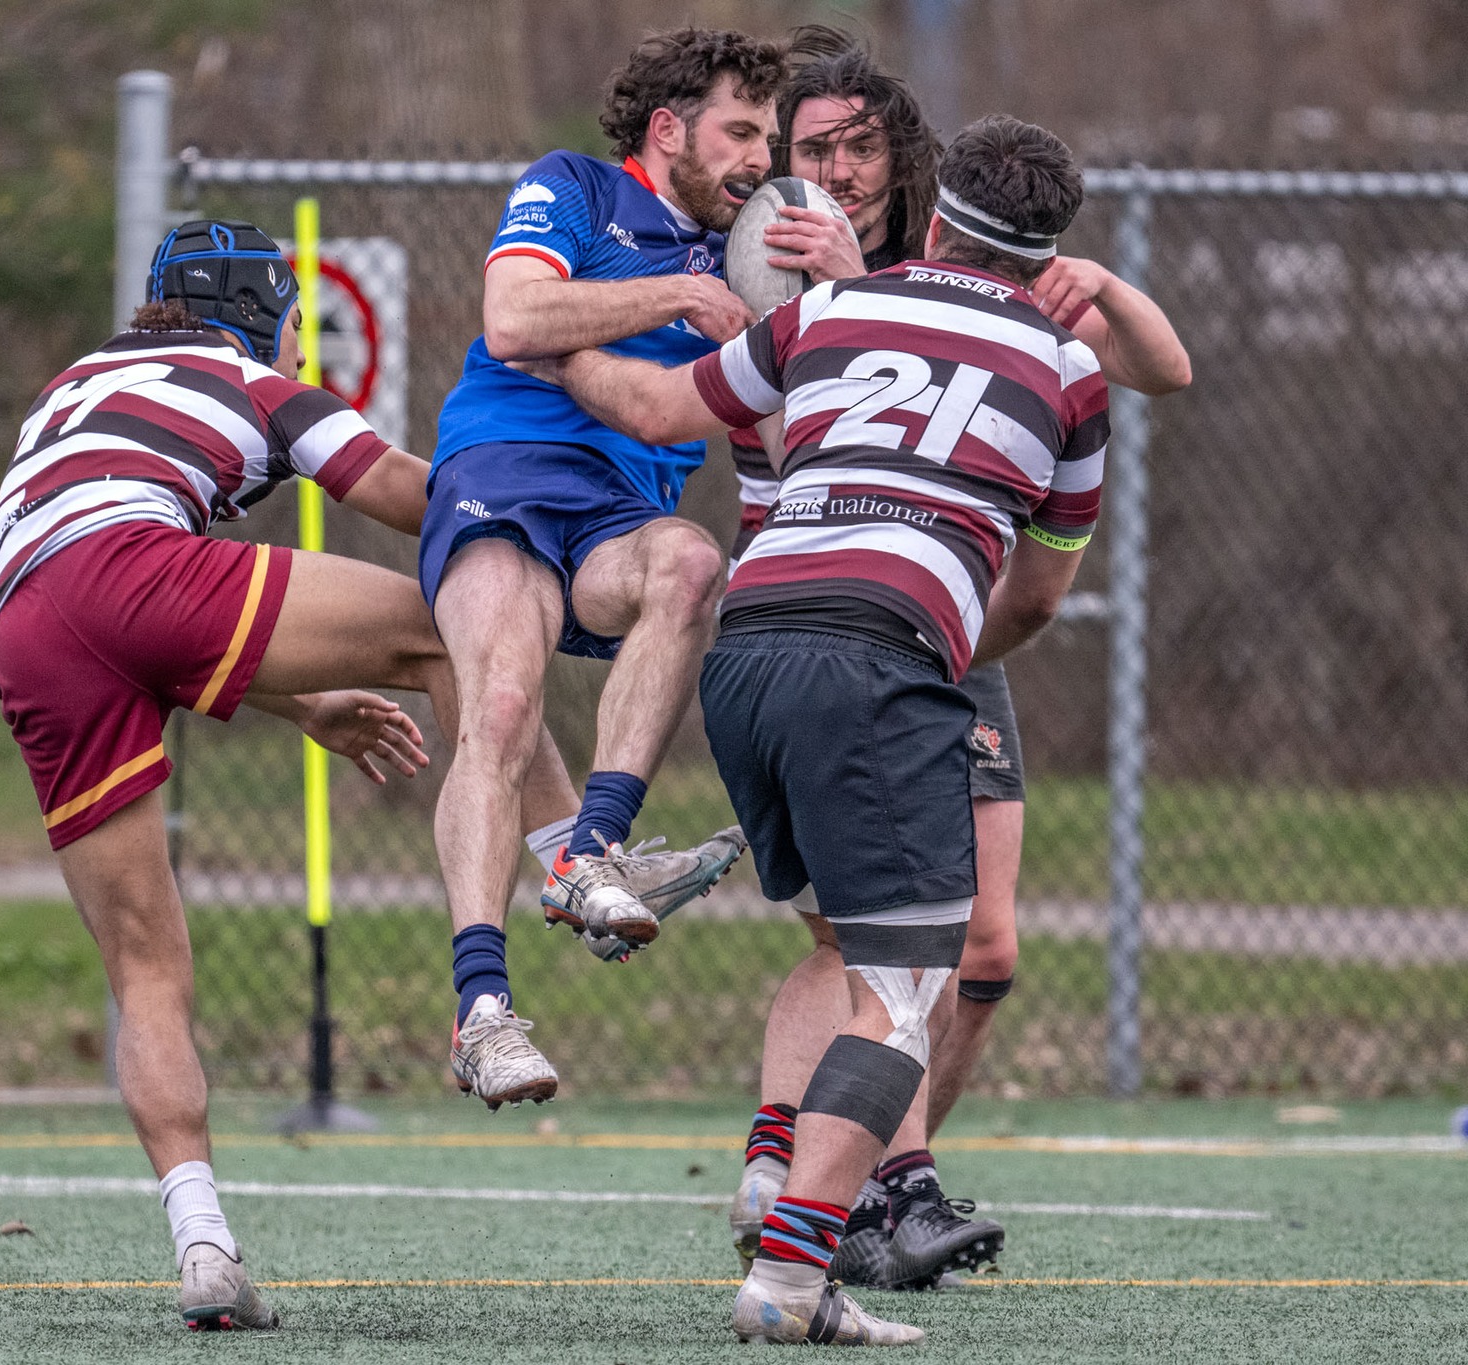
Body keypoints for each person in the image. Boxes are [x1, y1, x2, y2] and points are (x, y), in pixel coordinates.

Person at [0, 218, 728, 1329]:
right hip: (132, 566)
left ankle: (204, 1252)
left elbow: (100, 603)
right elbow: (407, 497)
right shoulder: (255, 383)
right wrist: (544, 522)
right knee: (442, 631)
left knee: (146, 969)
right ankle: (574, 856)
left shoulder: (74, 383)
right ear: (266, 318)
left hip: (24, 626)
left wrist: (306, 699)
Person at [525, 114, 1110, 1345]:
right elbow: (1042, 598)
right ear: (1047, 249)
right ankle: (792, 1277)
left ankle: (773, 1171)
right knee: (904, 993)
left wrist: (540, 348)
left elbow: (660, 407)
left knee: (847, 947)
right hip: (878, 660)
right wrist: (928, 642)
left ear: (936, 217)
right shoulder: (1068, 375)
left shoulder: (826, 315)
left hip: (744, 643)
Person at [724, 30, 1192, 1292]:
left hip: (945, 625)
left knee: (980, 954)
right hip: (830, 612)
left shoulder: (984, 253)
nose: (833, 171)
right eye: (808, 150)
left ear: (906, 161)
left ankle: (850, 1179)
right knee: (882, 947)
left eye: (855, 146)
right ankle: (880, 1198)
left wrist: (1091, 281)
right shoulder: (780, 258)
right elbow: (714, 404)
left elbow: (1160, 370)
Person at [422, 27, 785, 1101]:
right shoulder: (574, 188)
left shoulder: (753, 248)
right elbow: (514, 316)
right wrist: (673, 297)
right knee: (498, 710)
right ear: (668, 130)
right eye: (738, 131)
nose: (758, 157)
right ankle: (480, 1014)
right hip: (504, 470)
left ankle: (590, 853)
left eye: (768, 135)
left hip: (620, 515)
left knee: (688, 565)